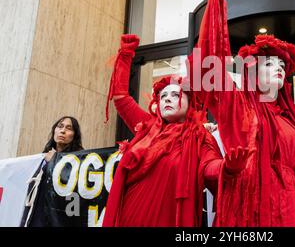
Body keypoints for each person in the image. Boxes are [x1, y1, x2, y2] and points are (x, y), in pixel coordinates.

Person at [187, 0, 295, 227]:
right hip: (249, 208)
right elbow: (209, 68)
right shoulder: (238, 106)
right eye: (270, 63)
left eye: (282, 64)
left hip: (291, 208)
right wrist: (216, 3)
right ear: (252, 71)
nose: (278, 67)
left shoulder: (291, 118)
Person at [102, 34, 248, 227]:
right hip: (131, 215)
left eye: (175, 95)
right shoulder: (147, 127)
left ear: (190, 105)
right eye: (163, 96)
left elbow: (209, 166)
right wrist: (125, 55)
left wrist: (227, 167)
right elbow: (121, 98)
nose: (167, 99)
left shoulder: (199, 136)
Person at [24, 116, 84, 227]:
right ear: (54, 131)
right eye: (60, 126)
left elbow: (73, 187)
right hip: (38, 215)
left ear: (74, 135)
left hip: (59, 218)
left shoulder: (80, 161)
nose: (63, 131)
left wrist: (54, 162)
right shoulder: (43, 157)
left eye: (69, 128)